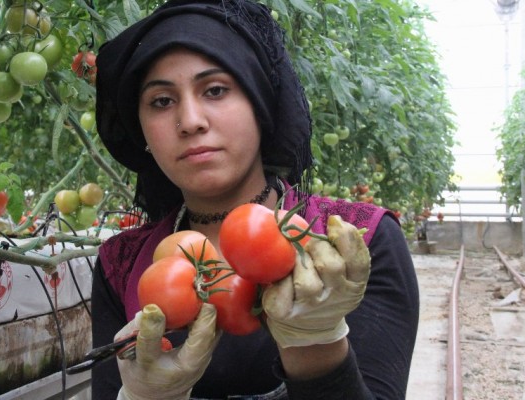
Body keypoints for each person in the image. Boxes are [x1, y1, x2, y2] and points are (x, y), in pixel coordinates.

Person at [90, 0, 420, 398]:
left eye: (215, 90)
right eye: (162, 101)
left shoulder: (359, 243)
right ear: (141, 132)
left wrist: (318, 349)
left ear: (260, 105)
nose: (191, 120)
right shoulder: (120, 265)